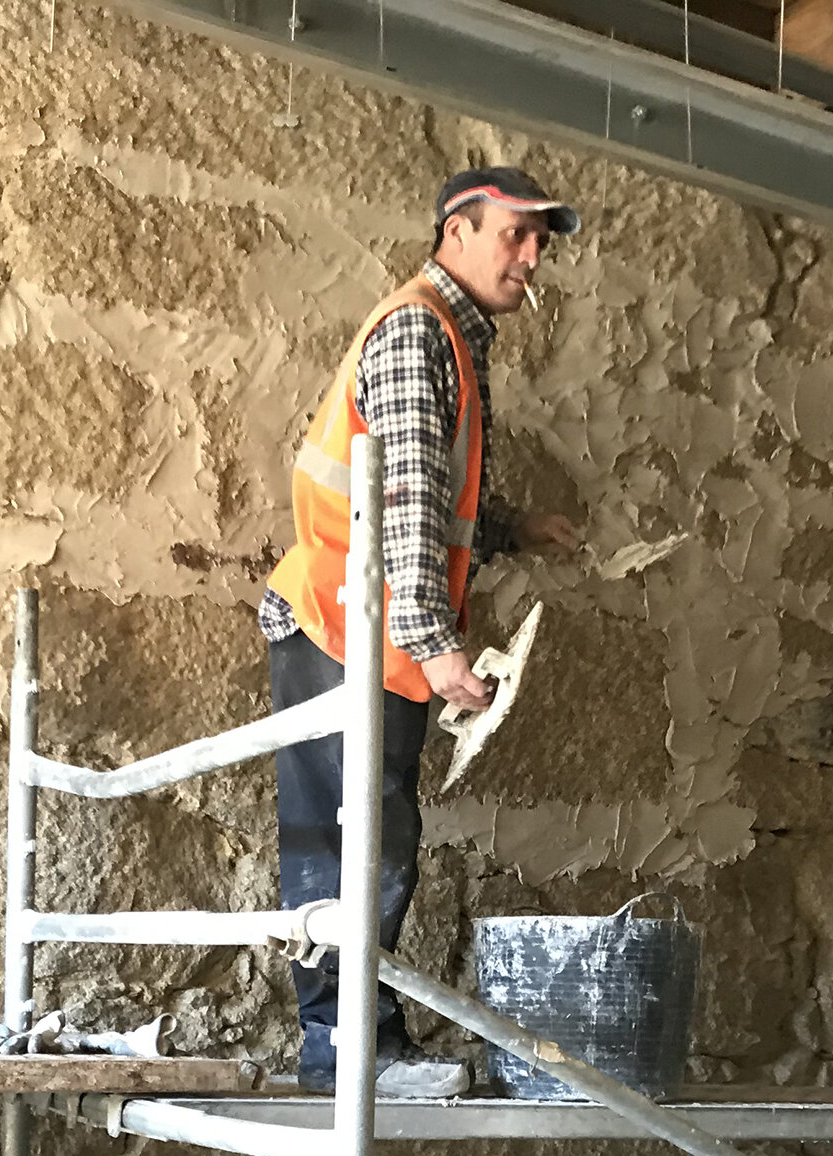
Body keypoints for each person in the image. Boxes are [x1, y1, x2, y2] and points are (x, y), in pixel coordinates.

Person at [260, 168, 583, 1097]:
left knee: (374, 832)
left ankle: (356, 1041)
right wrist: (437, 645)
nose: (531, 260)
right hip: (340, 623)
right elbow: (400, 503)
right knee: (352, 840)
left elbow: (430, 488)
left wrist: (513, 528)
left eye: (539, 244)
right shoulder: (418, 329)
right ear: (457, 230)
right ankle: (345, 1049)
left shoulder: (448, 335)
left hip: (362, 628)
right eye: (515, 237)